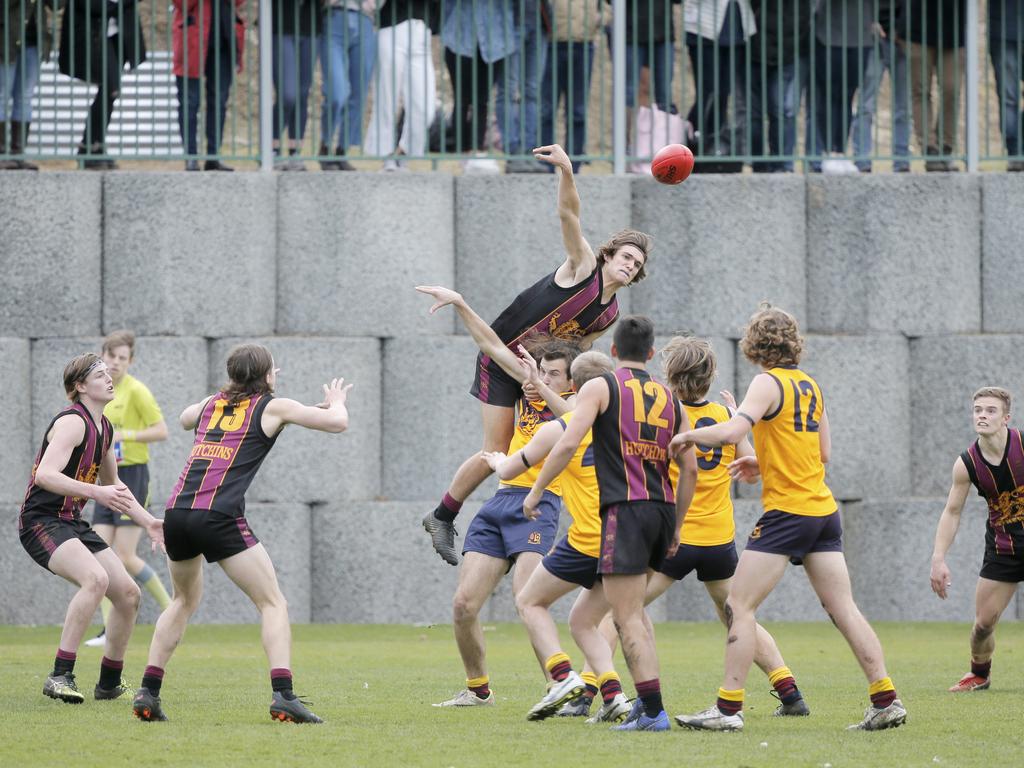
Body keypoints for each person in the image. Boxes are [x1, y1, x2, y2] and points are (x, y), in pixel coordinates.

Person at [673, 303, 906, 732]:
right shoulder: (811, 386)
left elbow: (729, 432)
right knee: (844, 609)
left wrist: (687, 434)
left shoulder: (766, 382)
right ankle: (885, 699)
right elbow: (822, 454)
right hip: (823, 511)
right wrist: (762, 463)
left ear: (754, 344)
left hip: (787, 513)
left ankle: (727, 710)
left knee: (737, 605)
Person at [422, 143, 652, 567]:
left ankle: (516, 531)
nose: (630, 266)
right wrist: (566, 170)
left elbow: (573, 356)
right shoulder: (583, 266)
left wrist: (547, 386)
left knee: (548, 441)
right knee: (497, 447)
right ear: (608, 254)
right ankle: (442, 515)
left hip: (537, 373)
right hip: (499, 358)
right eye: (626, 257)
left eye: (636, 265)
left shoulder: (609, 315)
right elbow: (569, 216)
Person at [132, 344, 353, 723]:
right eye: (272, 372)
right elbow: (338, 423)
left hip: (177, 513)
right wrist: (335, 401)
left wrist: (232, 391)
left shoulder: (212, 404)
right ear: (266, 376)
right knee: (273, 603)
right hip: (217, 515)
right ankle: (283, 695)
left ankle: (148, 692)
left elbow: (185, 418)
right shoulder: (273, 405)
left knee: (181, 601)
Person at [524, 316, 696, 732]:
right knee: (612, 615)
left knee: (626, 618)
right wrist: (677, 525)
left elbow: (567, 441)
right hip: (660, 510)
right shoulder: (670, 400)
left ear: (614, 352)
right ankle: (642, 703)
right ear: (652, 354)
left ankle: (652, 712)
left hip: (626, 510)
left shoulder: (603, 386)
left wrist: (536, 491)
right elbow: (688, 468)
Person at [418, 284, 579, 708]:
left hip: (539, 505)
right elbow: (489, 343)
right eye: (540, 371)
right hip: (500, 504)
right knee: (463, 605)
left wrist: (540, 388)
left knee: (529, 601)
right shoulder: (530, 383)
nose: (542, 379)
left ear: (572, 382)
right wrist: (461, 301)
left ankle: (558, 687)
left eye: (554, 375)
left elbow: (570, 414)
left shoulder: (579, 405)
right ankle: (478, 690)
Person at [483, 349, 635, 724]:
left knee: (530, 601)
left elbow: (511, 468)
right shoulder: (628, 426)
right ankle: (614, 695)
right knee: (584, 620)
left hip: (588, 539)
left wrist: (496, 461)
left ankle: (562, 675)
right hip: (629, 537)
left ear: (576, 387)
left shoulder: (561, 428)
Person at [19, 353, 164, 704]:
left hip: (71, 522)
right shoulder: (72, 422)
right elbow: (45, 475)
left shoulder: (105, 427)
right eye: (100, 374)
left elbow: (115, 488)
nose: (109, 377)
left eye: (108, 373)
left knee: (128, 595)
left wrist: (149, 522)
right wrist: (95, 491)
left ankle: (109, 683)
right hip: (41, 520)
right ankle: (59, 675)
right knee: (95, 580)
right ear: (80, 386)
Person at [929, 387, 1024, 693]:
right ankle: (979, 674)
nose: (982, 415)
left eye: (991, 410)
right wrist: (938, 558)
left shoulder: (1022, 444)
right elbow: (952, 512)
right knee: (982, 626)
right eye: (978, 410)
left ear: (1006, 418)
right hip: (1004, 549)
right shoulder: (967, 463)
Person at [85, 331, 171, 649]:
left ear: (130, 361)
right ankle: (109, 628)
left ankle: (170, 609)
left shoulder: (137, 392)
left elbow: (161, 430)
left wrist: (124, 436)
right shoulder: (97, 391)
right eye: (111, 356)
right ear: (102, 357)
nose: (116, 363)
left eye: (123, 358)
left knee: (124, 555)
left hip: (132, 475)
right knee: (97, 554)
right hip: (104, 477)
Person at [59, 0, 147, 169]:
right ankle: (90, 147)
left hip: (118, 34)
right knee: (111, 89)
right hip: (94, 34)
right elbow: (91, 6)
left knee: (108, 93)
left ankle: (93, 146)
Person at [441, 0, 516, 173]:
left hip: (493, 42)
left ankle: (477, 152)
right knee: (462, 99)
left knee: (482, 100)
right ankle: (462, 152)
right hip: (459, 38)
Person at [362, 0, 438, 171]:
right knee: (386, 99)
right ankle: (387, 156)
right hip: (392, 28)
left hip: (421, 30)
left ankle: (403, 152)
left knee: (425, 108)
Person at [173, 0, 246, 171]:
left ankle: (213, 156)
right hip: (192, 38)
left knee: (219, 101)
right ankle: (190, 156)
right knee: (190, 101)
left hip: (224, 40)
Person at [539, 0, 606, 175]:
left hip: (584, 45)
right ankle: (544, 165)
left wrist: (596, 21)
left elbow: (609, 8)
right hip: (552, 44)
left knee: (578, 112)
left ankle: (573, 166)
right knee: (546, 111)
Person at [904, 0, 966, 171]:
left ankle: (945, 147)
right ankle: (929, 149)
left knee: (951, 90)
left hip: (954, 30)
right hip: (917, 29)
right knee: (920, 91)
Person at [851, 2, 911, 173]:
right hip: (873, 38)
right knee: (866, 104)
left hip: (902, 38)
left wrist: (901, 29)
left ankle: (901, 159)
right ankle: (862, 159)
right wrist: (869, 21)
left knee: (904, 106)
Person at [319, 0, 376, 170]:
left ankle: (343, 150)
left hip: (364, 20)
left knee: (359, 93)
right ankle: (325, 145)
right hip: (334, 17)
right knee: (338, 93)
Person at [0, 0, 53, 170]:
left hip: (34, 42)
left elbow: (57, 5)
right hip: (6, 39)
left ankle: (19, 154)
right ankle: (2, 154)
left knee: (25, 96)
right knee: (1, 95)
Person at [271, 0, 322, 170]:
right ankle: (272, 150)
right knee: (288, 94)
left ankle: (295, 153)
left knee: (302, 94)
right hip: (281, 24)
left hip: (311, 25)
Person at [987, 0, 1024, 171]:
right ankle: (1015, 154)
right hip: (1002, 32)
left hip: (1003, 30)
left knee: (1009, 98)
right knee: (1009, 98)